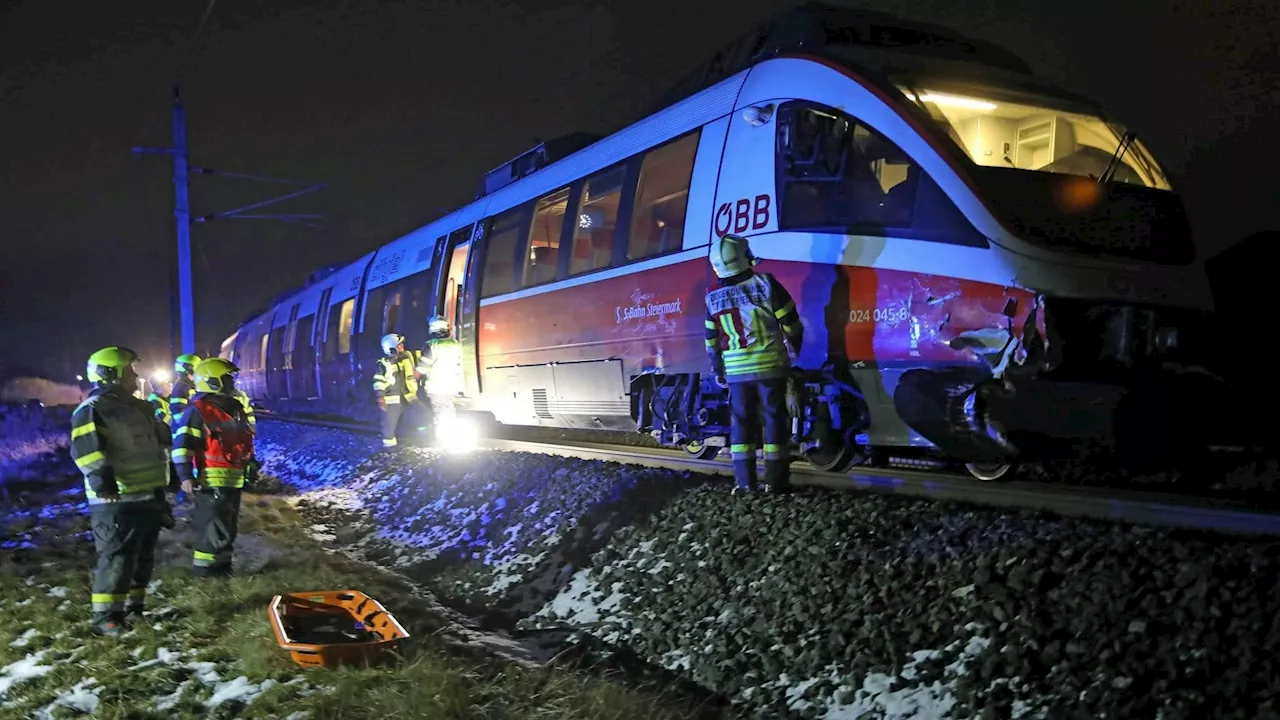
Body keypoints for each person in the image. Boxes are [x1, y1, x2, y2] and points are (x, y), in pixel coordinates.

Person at [69, 346, 173, 636]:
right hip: (116, 500)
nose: (134, 376)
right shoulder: (93, 409)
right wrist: (104, 484)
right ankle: (106, 618)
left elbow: (156, 447)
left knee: (142, 557)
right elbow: (87, 451)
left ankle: (134, 609)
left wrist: (168, 482)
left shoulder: (137, 407)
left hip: (147, 495)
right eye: (129, 370)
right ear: (110, 374)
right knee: (116, 558)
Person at [703, 233, 803, 494]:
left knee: (741, 425)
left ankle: (745, 484)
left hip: (736, 374)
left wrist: (718, 369)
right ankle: (777, 483)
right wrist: (796, 346)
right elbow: (790, 321)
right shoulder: (766, 283)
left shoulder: (712, 296)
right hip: (770, 367)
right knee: (774, 421)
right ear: (745, 258)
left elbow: (711, 340)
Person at [171, 358, 256, 578]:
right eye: (228, 378)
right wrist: (186, 476)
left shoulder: (236, 408)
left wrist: (251, 464)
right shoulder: (198, 410)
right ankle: (206, 576)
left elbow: (244, 440)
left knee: (227, 529)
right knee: (212, 530)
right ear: (213, 381)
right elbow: (182, 445)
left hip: (233, 480)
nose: (232, 382)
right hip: (210, 481)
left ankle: (223, 570)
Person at [416, 316, 464, 441]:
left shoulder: (431, 345)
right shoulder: (455, 344)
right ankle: (450, 436)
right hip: (452, 384)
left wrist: (411, 379)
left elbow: (422, 368)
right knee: (448, 409)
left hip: (436, 386)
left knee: (441, 412)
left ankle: (445, 439)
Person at [373, 333, 423, 449]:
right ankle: (389, 448)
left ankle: (421, 439)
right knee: (389, 426)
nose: (402, 346)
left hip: (408, 397)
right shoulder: (384, 364)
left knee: (423, 415)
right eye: (399, 345)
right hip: (392, 401)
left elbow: (419, 356)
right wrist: (380, 397)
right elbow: (378, 381)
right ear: (392, 348)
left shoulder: (405, 357)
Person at [168, 354, 201, 422]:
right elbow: (178, 416)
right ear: (189, 369)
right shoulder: (180, 388)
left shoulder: (189, 386)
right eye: (197, 368)